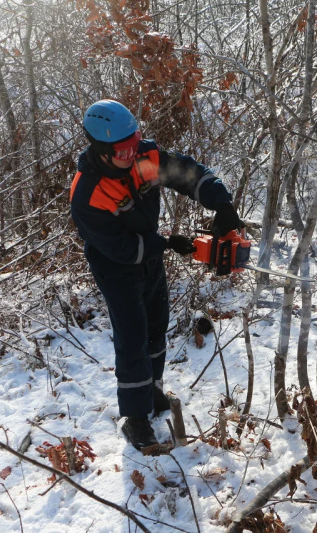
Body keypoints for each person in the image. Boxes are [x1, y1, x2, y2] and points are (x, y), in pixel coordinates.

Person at [70, 99, 244, 449]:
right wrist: (163, 242)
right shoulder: (90, 192)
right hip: (116, 266)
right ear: (101, 150)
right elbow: (119, 248)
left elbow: (189, 174)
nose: (132, 154)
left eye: (135, 143)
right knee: (132, 335)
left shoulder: (144, 159)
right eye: (123, 150)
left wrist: (221, 203)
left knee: (155, 324)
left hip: (149, 258)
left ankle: (150, 390)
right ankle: (135, 417)